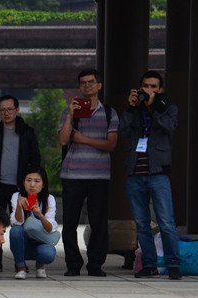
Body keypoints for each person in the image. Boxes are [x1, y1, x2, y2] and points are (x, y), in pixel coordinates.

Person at [119, 70, 181, 280]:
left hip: (158, 173)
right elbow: (123, 132)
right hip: (135, 173)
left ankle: (173, 264)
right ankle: (149, 264)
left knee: (166, 222)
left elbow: (169, 127)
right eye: (146, 86)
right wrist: (131, 106)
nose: (149, 90)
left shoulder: (168, 109)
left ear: (160, 90)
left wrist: (154, 107)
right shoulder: (135, 110)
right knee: (142, 223)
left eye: (153, 87)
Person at [57, 69, 118, 277]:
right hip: (72, 174)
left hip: (99, 176)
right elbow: (63, 140)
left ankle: (95, 264)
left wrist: (84, 140)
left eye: (91, 82)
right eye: (83, 83)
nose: (87, 86)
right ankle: (73, 264)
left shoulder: (110, 113)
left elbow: (111, 144)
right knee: (70, 223)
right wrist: (70, 115)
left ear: (99, 85)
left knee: (98, 222)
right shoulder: (70, 112)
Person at [0, 94, 41, 272]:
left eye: (10, 109)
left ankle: (20, 262)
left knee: (20, 226)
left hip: (20, 188)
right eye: (2, 110)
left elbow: (36, 161)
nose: (6, 113)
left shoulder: (27, 133)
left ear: (17, 110)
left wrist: (32, 185)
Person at [9, 166, 58, 279]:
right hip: (24, 243)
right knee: (15, 231)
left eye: (37, 181)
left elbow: (50, 228)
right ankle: (21, 267)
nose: (32, 185)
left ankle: (40, 265)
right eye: (29, 180)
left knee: (48, 254)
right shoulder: (17, 196)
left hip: (41, 241)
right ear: (23, 182)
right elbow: (16, 222)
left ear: (43, 184)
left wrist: (40, 215)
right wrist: (19, 206)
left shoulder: (49, 199)